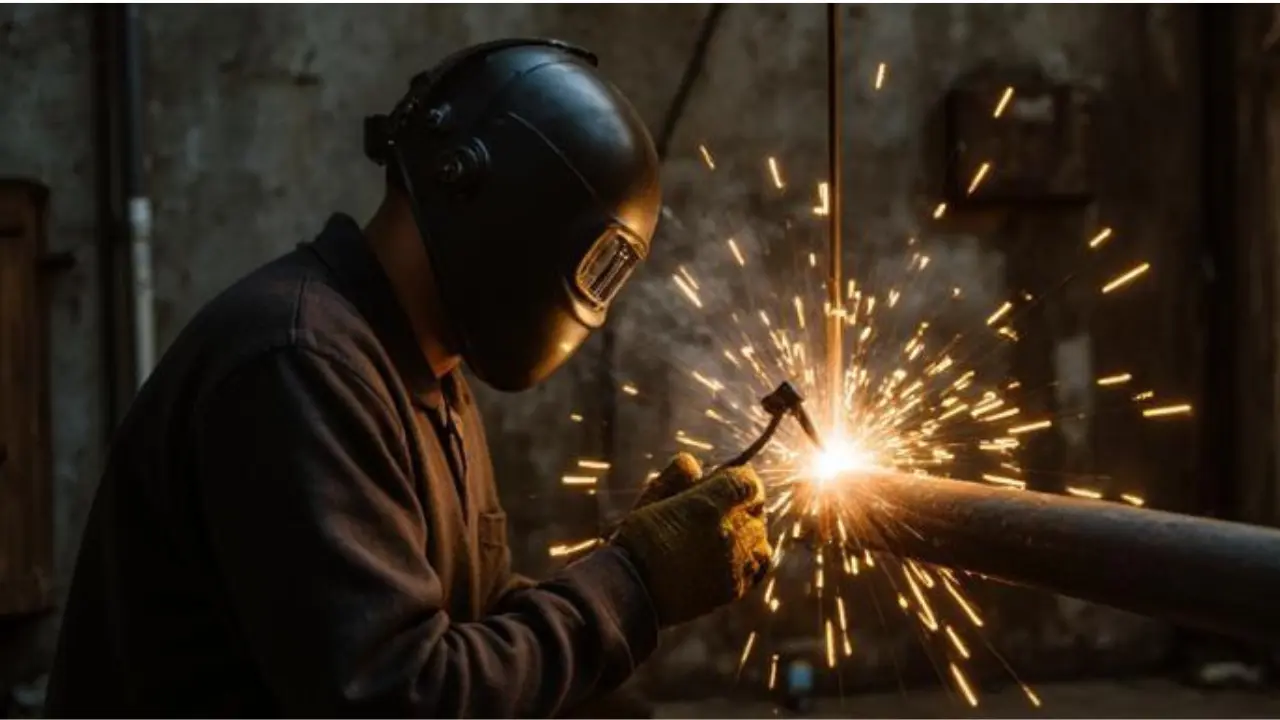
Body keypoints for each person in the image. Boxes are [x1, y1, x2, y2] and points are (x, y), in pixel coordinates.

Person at [45, 39, 772, 718]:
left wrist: (624, 569)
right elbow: (402, 695)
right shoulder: (299, 366)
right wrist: (631, 584)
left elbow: (470, 624)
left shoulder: (422, 369)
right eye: (591, 266)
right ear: (484, 193)